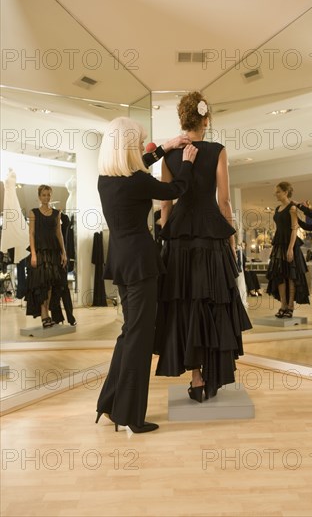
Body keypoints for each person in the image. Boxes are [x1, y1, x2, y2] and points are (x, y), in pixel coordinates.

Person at [95, 116, 197, 434]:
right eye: (138, 141)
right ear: (127, 146)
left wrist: (164, 148)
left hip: (122, 263)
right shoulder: (138, 180)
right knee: (139, 339)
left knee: (129, 334)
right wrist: (188, 162)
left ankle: (111, 405)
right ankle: (131, 416)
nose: (142, 146)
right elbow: (175, 189)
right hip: (141, 264)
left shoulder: (106, 179)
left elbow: (136, 165)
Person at [154, 91, 252, 402]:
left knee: (186, 306)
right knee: (214, 304)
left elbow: (166, 203)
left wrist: (167, 233)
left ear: (183, 119)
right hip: (211, 238)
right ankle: (213, 374)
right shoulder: (218, 151)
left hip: (180, 238)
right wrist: (232, 239)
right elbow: (224, 202)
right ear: (206, 119)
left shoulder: (169, 155)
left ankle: (196, 379)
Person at [25, 185, 67, 328]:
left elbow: (59, 233)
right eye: (44, 195)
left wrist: (64, 252)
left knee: (51, 284)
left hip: (54, 252)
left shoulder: (56, 213)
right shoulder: (34, 213)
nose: (46, 197)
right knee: (42, 283)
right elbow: (31, 234)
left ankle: (47, 313)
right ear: (39, 196)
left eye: (48, 195)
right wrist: (34, 254)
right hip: (40, 252)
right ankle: (44, 314)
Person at [266, 181, 309, 317]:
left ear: (285, 192)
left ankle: (290, 306)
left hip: (290, 244)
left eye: (278, 191)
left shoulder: (292, 208)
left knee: (291, 276)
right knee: (279, 274)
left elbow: (294, 229)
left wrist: (290, 248)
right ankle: (283, 304)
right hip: (279, 243)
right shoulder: (277, 208)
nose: (276, 194)